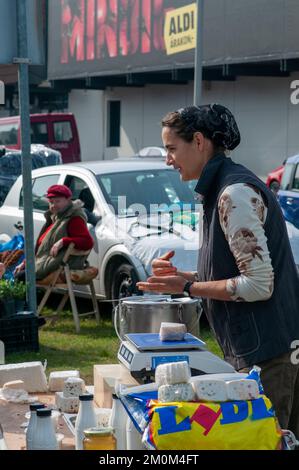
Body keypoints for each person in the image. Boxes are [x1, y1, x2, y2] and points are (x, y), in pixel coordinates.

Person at [137, 103, 299, 438]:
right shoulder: (221, 189)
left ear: (198, 142)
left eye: (171, 149)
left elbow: (257, 285)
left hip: (271, 352)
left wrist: (188, 289)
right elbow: (237, 272)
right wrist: (184, 278)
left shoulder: (233, 194)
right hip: (263, 348)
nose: (167, 159)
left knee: (268, 442)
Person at [14, 184, 94, 282]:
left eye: (58, 201)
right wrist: (26, 263)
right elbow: (42, 250)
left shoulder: (74, 218)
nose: (53, 205)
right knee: (17, 273)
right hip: (45, 263)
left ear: (68, 200)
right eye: (51, 202)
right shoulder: (57, 217)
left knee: (20, 277)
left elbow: (88, 242)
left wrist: (63, 241)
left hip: (58, 266)